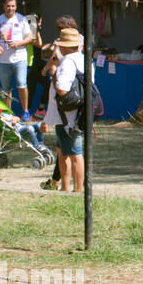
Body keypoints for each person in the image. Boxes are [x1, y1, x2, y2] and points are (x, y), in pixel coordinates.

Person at [46, 27, 86, 192]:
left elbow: (62, 90)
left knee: (75, 153)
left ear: (64, 46)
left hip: (67, 116)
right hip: (79, 113)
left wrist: (54, 75)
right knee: (62, 151)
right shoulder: (83, 59)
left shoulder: (68, 63)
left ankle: (76, 190)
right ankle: (65, 188)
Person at [0, 0, 35, 119]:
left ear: (16, 7)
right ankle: (7, 113)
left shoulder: (21, 19)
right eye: (8, 6)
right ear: (4, 7)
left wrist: (19, 43)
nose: (10, 8)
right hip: (3, 60)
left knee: (21, 84)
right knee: (5, 88)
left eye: (13, 6)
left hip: (19, 58)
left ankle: (25, 112)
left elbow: (30, 37)